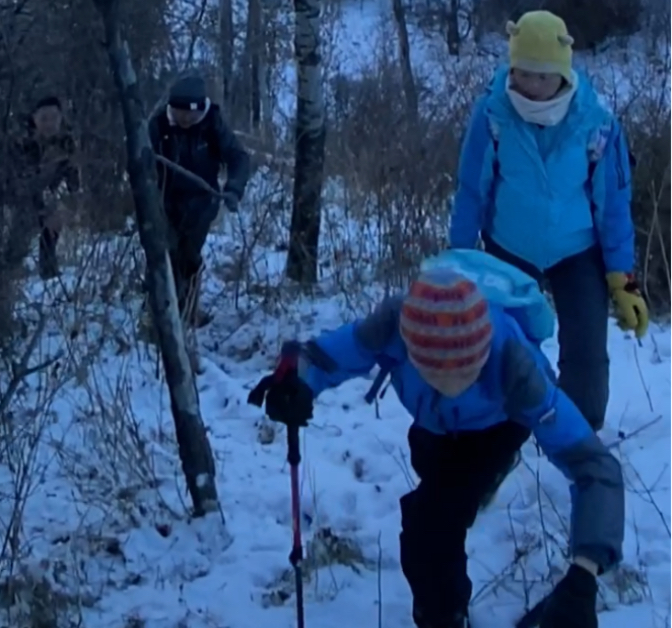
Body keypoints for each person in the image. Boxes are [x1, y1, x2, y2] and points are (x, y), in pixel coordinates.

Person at [258, 268, 625, 628]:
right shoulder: (392, 326)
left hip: (496, 428)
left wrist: (584, 574)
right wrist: (297, 381)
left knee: (428, 526)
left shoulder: (518, 369)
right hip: (433, 428)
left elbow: (592, 466)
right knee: (436, 494)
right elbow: (323, 356)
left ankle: (442, 618)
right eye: (435, 372)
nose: (453, 384)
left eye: (468, 374)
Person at [449, 10, 648, 434]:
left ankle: (579, 437)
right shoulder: (493, 115)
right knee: (503, 346)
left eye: (542, 77)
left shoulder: (596, 124)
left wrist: (623, 279)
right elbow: (471, 191)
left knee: (586, 354)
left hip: (577, 252)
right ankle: (496, 439)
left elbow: (613, 205)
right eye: (522, 74)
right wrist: (459, 265)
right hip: (509, 249)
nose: (531, 87)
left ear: (563, 73)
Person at [148, 74, 251, 326]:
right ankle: (159, 313)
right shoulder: (158, 125)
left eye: (191, 114)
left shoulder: (212, 123)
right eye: (181, 113)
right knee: (165, 252)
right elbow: (140, 162)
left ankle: (189, 311)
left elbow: (239, 158)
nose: (186, 119)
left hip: (202, 202)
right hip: (164, 201)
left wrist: (234, 189)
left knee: (189, 255)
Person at [0, 95, 80, 280]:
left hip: (46, 193)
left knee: (53, 223)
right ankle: (4, 273)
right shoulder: (23, 143)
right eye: (44, 119)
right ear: (34, 119)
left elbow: (72, 173)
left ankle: (48, 269)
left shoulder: (66, 142)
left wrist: (70, 196)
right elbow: (20, 181)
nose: (50, 124)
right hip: (16, 196)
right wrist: (43, 206)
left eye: (54, 118)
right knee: (18, 236)